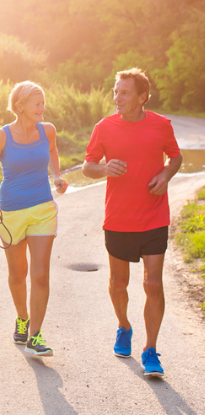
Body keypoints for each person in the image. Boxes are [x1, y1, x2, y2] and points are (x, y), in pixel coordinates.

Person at [83, 68, 182, 376]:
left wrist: (165, 175)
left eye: (124, 93)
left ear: (142, 97)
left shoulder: (161, 125)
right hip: (118, 217)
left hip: (154, 215)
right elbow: (87, 166)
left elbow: (175, 157)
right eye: (116, 92)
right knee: (118, 282)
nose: (118, 98)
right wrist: (103, 169)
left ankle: (151, 349)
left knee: (153, 283)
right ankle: (124, 326)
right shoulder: (104, 127)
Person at [0, 81, 67, 356]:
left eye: (43, 103)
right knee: (18, 274)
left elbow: (52, 151)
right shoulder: (1, 136)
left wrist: (56, 175)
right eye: (37, 104)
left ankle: (36, 336)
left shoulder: (47, 130)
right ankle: (22, 318)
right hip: (11, 213)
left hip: (42, 209)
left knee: (40, 275)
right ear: (20, 106)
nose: (43, 108)